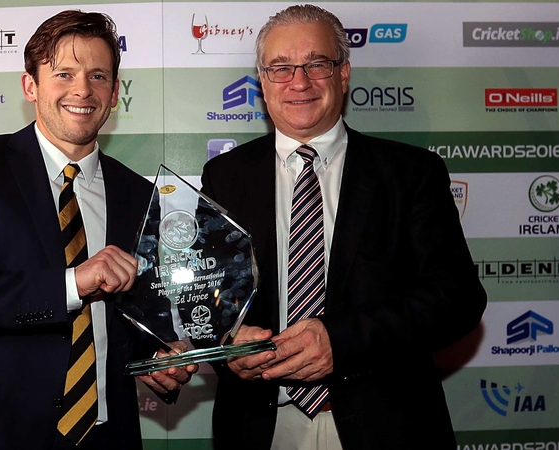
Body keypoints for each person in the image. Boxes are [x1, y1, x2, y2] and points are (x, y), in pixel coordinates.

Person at [0, 10, 195, 450]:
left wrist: (154, 360)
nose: (82, 89)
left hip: (105, 436)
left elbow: (126, 318)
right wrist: (71, 284)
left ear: (114, 94)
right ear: (30, 86)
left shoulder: (137, 193)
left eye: (98, 76)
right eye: (64, 74)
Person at [200, 5, 486, 450]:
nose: (299, 81)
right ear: (261, 79)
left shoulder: (412, 173)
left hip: (387, 426)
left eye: (317, 63)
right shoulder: (224, 177)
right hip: (259, 426)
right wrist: (227, 341)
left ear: (344, 72)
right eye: (281, 67)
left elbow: (457, 299)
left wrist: (343, 339)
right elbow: (207, 296)